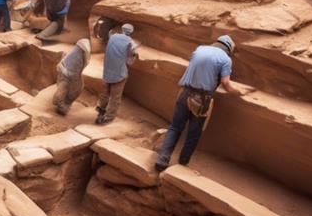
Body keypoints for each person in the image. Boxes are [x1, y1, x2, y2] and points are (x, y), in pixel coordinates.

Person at [155, 35, 249, 171]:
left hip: (185, 92)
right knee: (194, 133)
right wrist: (238, 92)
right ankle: (182, 164)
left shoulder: (199, 49)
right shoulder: (226, 59)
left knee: (175, 127)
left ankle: (162, 160)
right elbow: (225, 82)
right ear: (228, 49)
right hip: (202, 99)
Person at [96, 24, 138, 124]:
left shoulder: (113, 36)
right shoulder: (130, 43)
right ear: (131, 31)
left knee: (105, 93)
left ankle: (101, 111)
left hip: (107, 72)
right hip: (119, 74)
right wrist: (134, 55)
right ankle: (108, 118)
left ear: (122, 29)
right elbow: (129, 61)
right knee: (115, 97)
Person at [53, 38, 91, 115]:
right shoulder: (73, 56)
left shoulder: (81, 57)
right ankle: (61, 105)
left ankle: (65, 103)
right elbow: (64, 66)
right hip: (65, 75)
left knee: (77, 89)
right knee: (62, 90)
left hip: (74, 75)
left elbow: (84, 63)